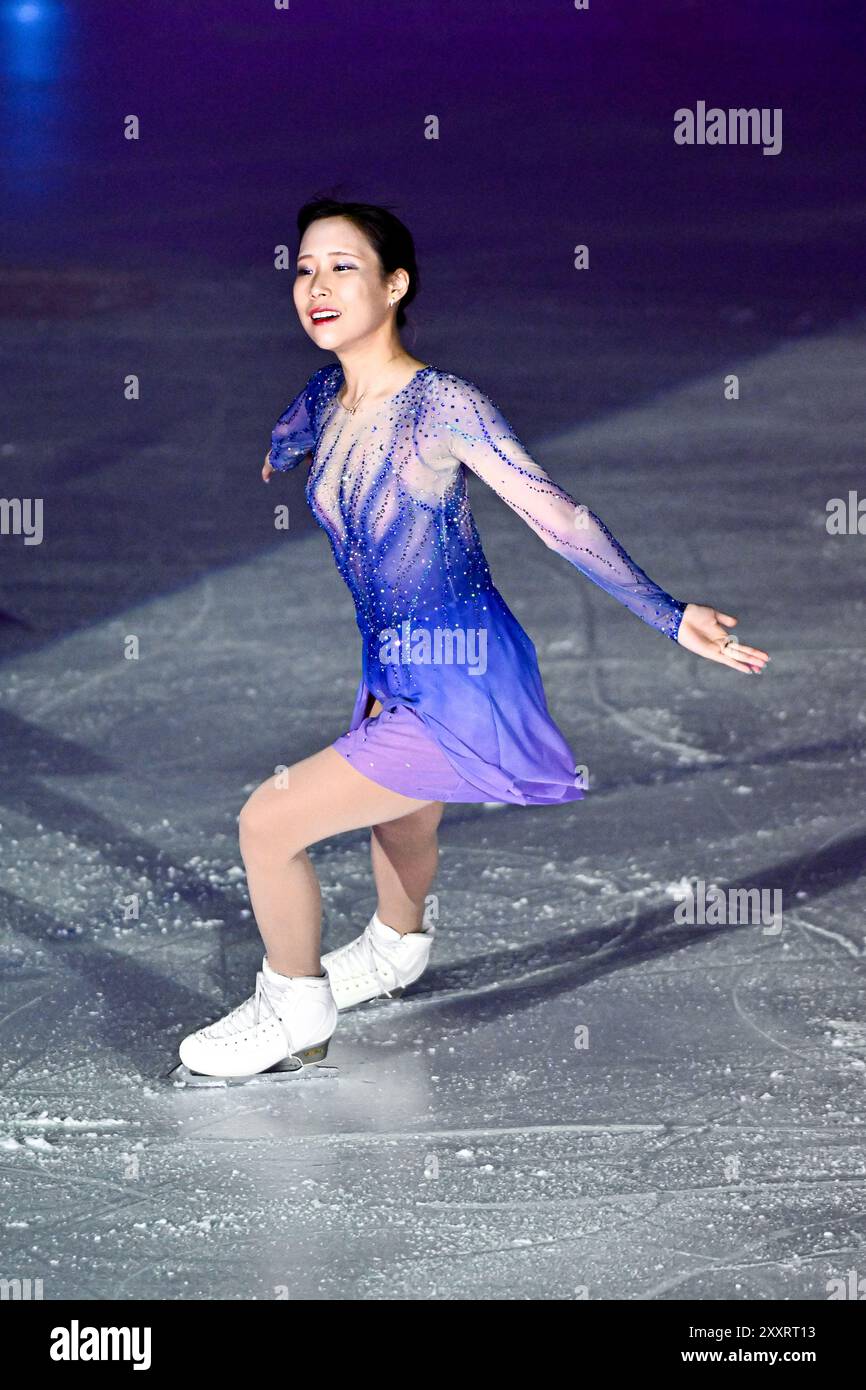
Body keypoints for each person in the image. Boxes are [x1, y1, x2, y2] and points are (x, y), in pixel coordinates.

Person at [176, 197, 770, 1081]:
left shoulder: (440, 405)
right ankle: (395, 946)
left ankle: (294, 1006)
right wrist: (281, 444)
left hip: (462, 678)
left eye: (343, 267)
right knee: (400, 822)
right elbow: (305, 420)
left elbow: (558, 518)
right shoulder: (330, 394)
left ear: (395, 283)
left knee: (268, 823)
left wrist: (667, 612)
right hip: (395, 664)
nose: (316, 286)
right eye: (303, 268)